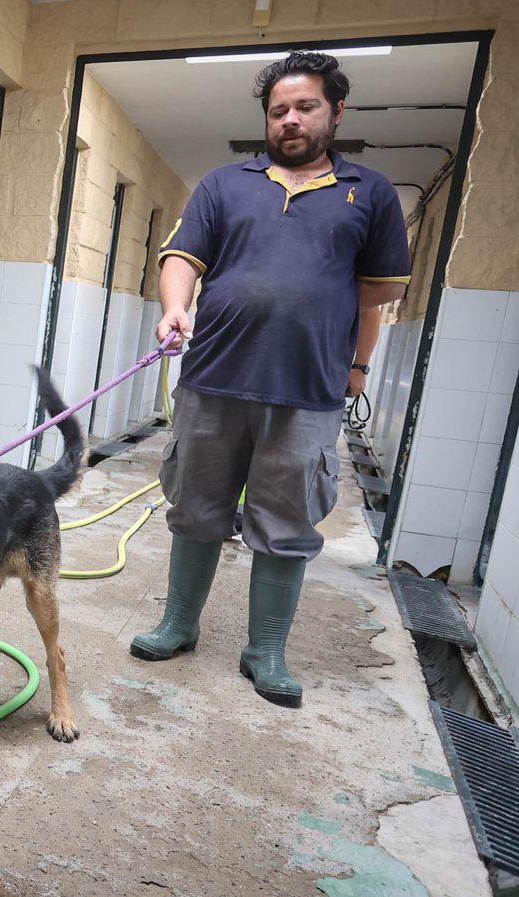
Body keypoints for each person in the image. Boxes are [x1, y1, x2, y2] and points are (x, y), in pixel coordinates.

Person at [129, 50, 411, 708]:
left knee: (286, 521)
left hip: (308, 388)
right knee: (195, 508)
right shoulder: (225, 184)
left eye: (305, 106)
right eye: (279, 109)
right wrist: (175, 306)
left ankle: (266, 650)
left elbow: (373, 295)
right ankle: (179, 623)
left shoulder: (368, 194)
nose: (290, 119)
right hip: (213, 379)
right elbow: (181, 257)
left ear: (335, 111)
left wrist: (358, 364)